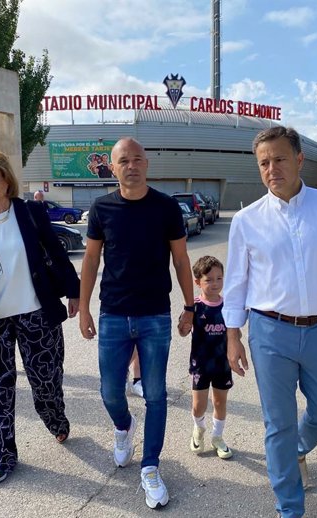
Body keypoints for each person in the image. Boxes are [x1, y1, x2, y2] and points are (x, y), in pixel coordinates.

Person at [224, 126, 317, 518]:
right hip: (269, 331)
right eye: (264, 163)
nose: (272, 168)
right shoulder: (246, 220)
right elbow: (236, 283)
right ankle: (290, 507)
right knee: (278, 422)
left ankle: (294, 451)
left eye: (279, 159)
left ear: (299, 160)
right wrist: (232, 336)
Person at [79, 137, 195, 510]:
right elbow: (91, 262)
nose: (131, 165)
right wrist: (83, 309)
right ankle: (123, 427)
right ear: (112, 168)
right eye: (123, 160)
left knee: (156, 394)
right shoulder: (101, 209)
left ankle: (150, 466)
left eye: (138, 159)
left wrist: (190, 306)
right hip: (113, 313)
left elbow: (180, 260)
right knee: (111, 392)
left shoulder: (166, 208)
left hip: (155, 315)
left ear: (147, 164)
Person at [0, 150, 80, 485]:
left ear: (7, 181)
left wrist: (74, 291)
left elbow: (56, 251)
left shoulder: (30, 213)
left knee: (46, 380)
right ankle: (3, 455)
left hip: (36, 313)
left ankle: (55, 418)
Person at [189, 255, 232, 459]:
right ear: (198, 282)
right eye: (209, 279)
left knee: (219, 403)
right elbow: (182, 330)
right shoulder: (195, 306)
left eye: (219, 278)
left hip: (222, 363)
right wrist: (184, 321)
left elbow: (235, 332)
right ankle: (199, 428)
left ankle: (217, 437)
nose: (215, 283)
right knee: (199, 405)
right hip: (201, 364)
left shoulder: (229, 306)